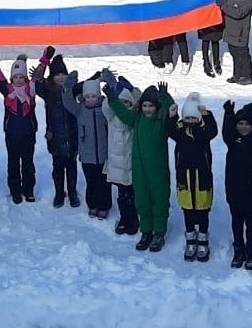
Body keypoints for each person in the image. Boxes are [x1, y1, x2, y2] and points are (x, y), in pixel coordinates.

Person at [103, 74, 172, 253]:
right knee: (142, 200)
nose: (148, 109)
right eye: (145, 105)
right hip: (139, 170)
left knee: (159, 201)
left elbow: (169, 111)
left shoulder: (161, 123)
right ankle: (146, 231)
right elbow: (123, 114)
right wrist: (112, 98)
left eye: (151, 106)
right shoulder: (137, 120)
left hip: (157, 171)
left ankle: (159, 233)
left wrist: (165, 98)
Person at [0, 48, 51, 204]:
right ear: (12, 78)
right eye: (16, 77)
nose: (19, 80)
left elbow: (38, 73)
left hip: (28, 134)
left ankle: (28, 190)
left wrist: (46, 58)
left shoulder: (31, 89)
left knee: (28, 163)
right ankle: (15, 191)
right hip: (12, 135)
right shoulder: (7, 90)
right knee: (13, 163)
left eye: (22, 77)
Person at [169, 93, 217, 263]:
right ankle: (190, 238)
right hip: (185, 176)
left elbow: (213, 131)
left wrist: (206, 115)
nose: (190, 120)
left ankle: (203, 238)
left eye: (193, 117)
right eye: (186, 117)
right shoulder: (180, 130)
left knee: (203, 210)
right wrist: (173, 116)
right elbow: (170, 130)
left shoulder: (203, 131)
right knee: (187, 209)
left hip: (202, 176)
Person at [222, 98, 252, 270]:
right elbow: (226, 132)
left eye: (247, 124)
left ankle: (251, 250)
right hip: (234, 189)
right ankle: (238, 248)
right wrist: (229, 115)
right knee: (237, 221)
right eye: (240, 123)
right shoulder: (233, 140)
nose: (243, 127)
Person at [64, 71, 112, 219]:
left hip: (103, 155)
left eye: (94, 96)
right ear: (84, 97)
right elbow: (67, 102)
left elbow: (116, 99)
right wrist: (68, 84)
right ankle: (93, 205)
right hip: (87, 155)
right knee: (91, 182)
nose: (91, 99)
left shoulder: (105, 109)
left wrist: (109, 80)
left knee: (104, 183)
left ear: (99, 96)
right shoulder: (80, 110)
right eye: (88, 97)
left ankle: (104, 206)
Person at [38, 54, 79, 208]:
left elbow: (87, 86)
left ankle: (73, 192)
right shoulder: (47, 91)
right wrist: (45, 60)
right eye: (57, 75)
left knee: (71, 166)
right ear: (52, 77)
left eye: (63, 74)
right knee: (58, 167)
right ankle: (59, 193)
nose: (61, 78)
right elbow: (37, 81)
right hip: (55, 135)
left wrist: (97, 76)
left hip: (72, 134)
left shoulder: (73, 89)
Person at [103, 74, 139, 235]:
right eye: (120, 102)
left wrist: (134, 91)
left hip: (129, 165)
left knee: (131, 197)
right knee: (122, 197)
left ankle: (132, 221)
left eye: (127, 102)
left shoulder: (133, 118)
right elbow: (107, 107)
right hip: (116, 166)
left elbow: (139, 102)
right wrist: (110, 95)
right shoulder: (111, 117)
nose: (123, 105)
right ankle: (124, 220)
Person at [221, 0, 252, 85]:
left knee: (243, 56)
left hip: (240, 34)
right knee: (234, 55)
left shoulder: (249, 0)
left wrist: (223, 7)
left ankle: (247, 77)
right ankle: (236, 75)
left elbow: (238, 13)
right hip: (231, 31)